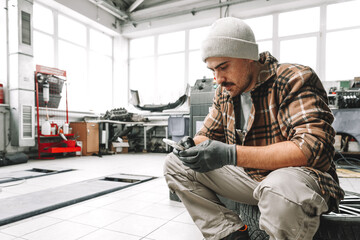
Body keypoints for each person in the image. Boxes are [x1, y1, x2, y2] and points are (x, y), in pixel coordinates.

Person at [163, 17, 344, 240]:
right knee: (175, 164)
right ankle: (230, 234)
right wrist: (192, 146)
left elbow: (311, 149)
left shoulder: (293, 79)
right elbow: (207, 136)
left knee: (279, 190)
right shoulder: (225, 92)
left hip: (297, 181)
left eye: (223, 67)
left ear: (249, 57)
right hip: (252, 179)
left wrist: (230, 154)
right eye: (212, 70)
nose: (218, 79)